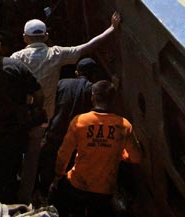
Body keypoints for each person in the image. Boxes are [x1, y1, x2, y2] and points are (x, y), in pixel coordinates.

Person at [10, 12, 122, 203]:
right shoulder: (56, 54)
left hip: (20, 116)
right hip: (42, 119)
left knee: (15, 151)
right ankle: (26, 195)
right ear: (46, 36)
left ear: (25, 38)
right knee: (32, 157)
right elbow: (87, 47)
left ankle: (12, 188)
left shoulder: (16, 58)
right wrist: (112, 28)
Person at [0, 25, 43, 204]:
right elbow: (38, 94)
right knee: (8, 174)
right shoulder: (16, 66)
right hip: (12, 132)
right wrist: (32, 111)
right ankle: (8, 205)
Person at [52, 81, 142, 217]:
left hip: (78, 185)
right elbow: (136, 158)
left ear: (92, 97)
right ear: (113, 100)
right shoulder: (124, 126)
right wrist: (119, 154)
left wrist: (58, 175)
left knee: (56, 196)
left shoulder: (80, 121)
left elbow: (63, 154)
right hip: (105, 191)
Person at [38, 58, 102, 192]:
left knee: (47, 166)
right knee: (69, 172)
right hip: (76, 139)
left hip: (55, 132)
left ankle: (43, 194)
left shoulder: (62, 83)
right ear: (94, 75)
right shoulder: (92, 90)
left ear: (77, 72)